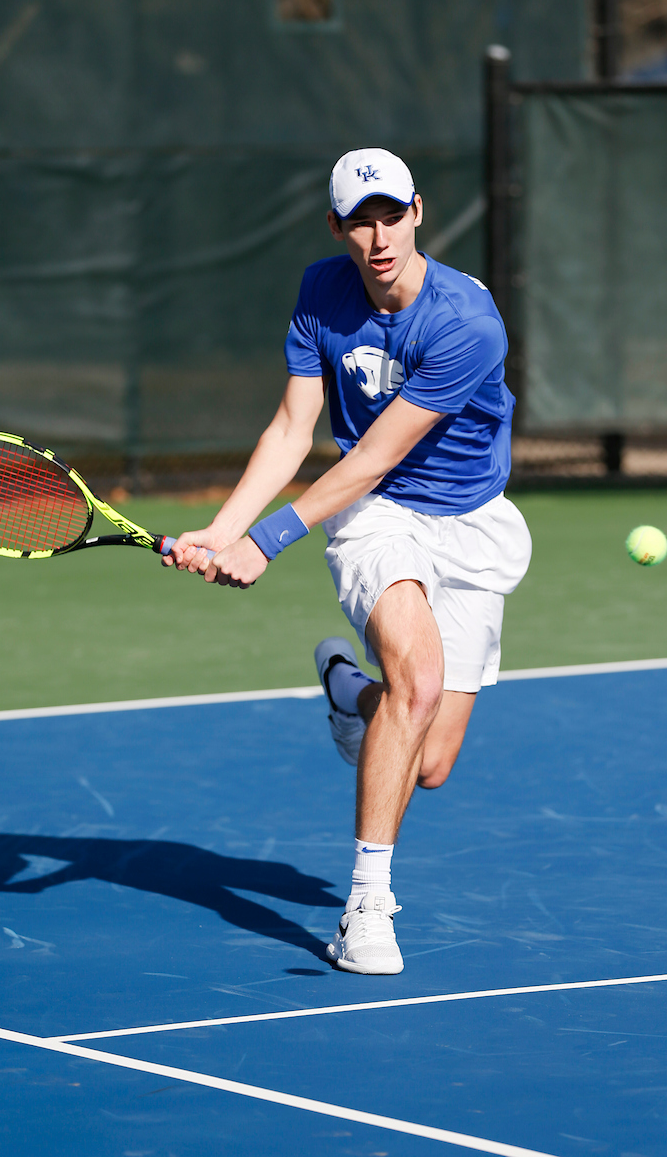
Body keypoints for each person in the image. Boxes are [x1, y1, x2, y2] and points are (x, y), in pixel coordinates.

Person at [165, 148, 532, 975]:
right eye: (359, 220)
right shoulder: (321, 290)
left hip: (469, 524)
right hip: (378, 519)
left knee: (431, 762)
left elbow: (372, 453)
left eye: (390, 214)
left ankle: (346, 691)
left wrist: (264, 543)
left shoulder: (463, 322)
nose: (377, 236)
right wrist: (222, 528)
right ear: (337, 227)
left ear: (417, 213)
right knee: (420, 683)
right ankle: (366, 907)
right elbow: (295, 430)